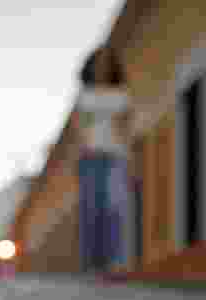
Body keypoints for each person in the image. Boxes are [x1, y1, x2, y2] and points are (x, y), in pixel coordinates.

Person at [76, 46, 133, 273]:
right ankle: (92, 263)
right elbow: (79, 126)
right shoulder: (85, 95)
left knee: (114, 207)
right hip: (90, 156)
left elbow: (127, 125)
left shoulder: (122, 94)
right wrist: (83, 147)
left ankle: (115, 261)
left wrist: (128, 153)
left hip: (116, 156)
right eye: (99, 63)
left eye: (107, 63)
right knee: (91, 208)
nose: (102, 67)